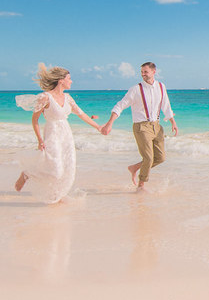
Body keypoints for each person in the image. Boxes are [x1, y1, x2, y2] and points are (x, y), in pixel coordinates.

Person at [14, 64, 103, 204]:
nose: (71, 81)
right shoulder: (45, 97)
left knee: (68, 166)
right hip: (52, 134)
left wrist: (98, 127)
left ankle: (57, 195)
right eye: (69, 78)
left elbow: (82, 114)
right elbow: (35, 119)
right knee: (55, 170)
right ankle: (28, 173)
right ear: (61, 80)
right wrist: (39, 140)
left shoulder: (68, 98)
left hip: (66, 135)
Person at [100, 61, 178, 190]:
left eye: (146, 72)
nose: (143, 75)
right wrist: (110, 123)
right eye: (142, 72)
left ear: (154, 72)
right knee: (148, 157)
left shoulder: (161, 86)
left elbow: (166, 105)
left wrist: (173, 123)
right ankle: (141, 187)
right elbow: (120, 105)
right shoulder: (136, 89)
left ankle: (135, 167)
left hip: (157, 126)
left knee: (161, 158)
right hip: (141, 127)